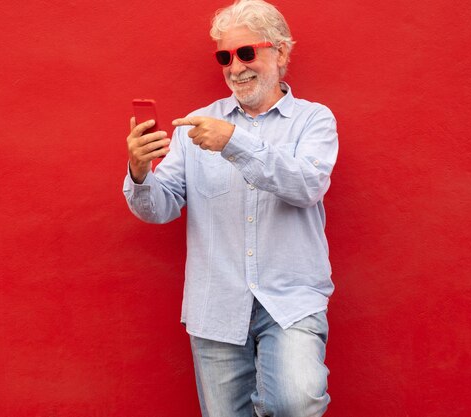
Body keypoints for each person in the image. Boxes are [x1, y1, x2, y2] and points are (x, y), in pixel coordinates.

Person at [123, 0, 338, 416]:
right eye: (225, 56)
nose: (235, 67)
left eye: (246, 52)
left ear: (281, 52)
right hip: (216, 304)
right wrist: (139, 171)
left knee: (297, 399)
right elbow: (161, 207)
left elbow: (306, 184)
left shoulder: (314, 120)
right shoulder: (197, 124)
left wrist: (234, 143)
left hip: (290, 300)